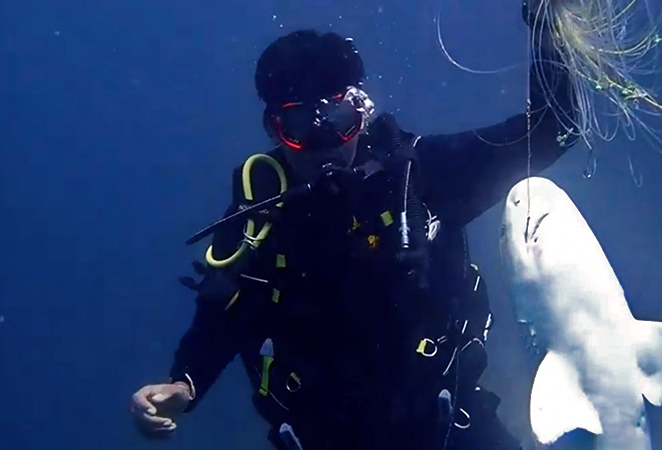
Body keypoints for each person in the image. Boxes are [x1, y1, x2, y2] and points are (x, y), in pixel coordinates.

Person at [130, 6, 578, 450]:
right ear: (274, 128)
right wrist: (185, 384)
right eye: (300, 126)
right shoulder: (258, 216)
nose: (324, 144)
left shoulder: (420, 177)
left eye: (339, 122)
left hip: (448, 428)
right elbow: (220, 318)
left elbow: (554, 128)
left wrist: (546, 23)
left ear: (361, 114)